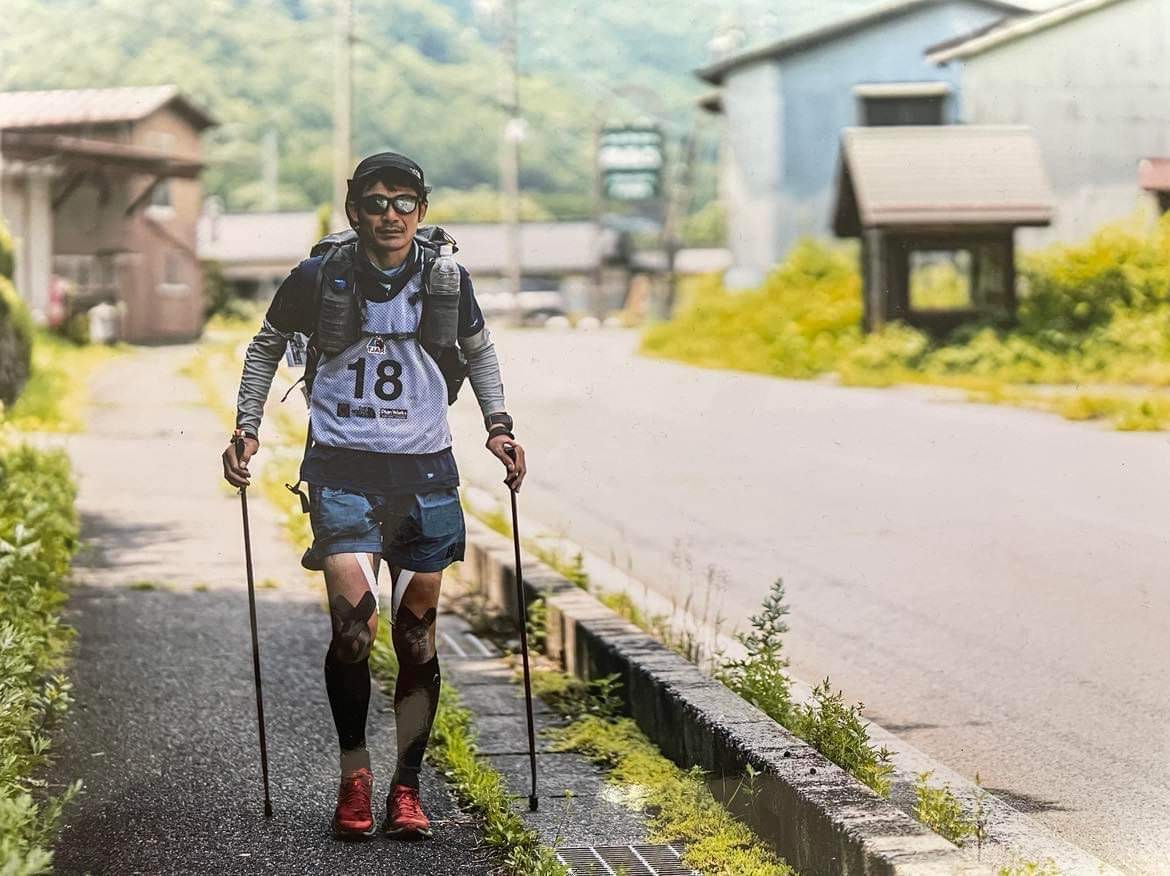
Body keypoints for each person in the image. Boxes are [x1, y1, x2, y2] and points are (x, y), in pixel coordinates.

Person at [220, 151, 527, 841]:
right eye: (377, 202)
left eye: (404, 202)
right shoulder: (318, 276)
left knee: (416, 638)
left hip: (425, 476)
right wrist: (247, 427)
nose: (391, 214)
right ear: (354, 210)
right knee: (354, 630)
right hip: (342, 471)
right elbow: (265, 346)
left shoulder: (446, 279)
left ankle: (406, 787)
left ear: (421, 210)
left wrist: (499, 427)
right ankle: (354, 775)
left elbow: (480, 351)